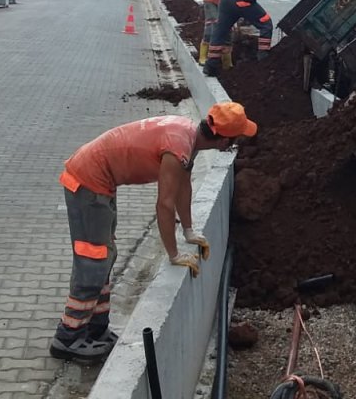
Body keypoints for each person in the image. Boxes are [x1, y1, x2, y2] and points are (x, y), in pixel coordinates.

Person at [49, 102, 258, 363]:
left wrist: (190, 231)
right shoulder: (178, 146)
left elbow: (184, 188)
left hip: (98, 183)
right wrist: (174, 254)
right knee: (94, 260)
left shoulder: (188, 137)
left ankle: (95, 328)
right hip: (87, 181)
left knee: (106, 256)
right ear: (224, 140)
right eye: (236, 139)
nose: (236, 144)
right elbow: (165, 204)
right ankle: (68, 337)